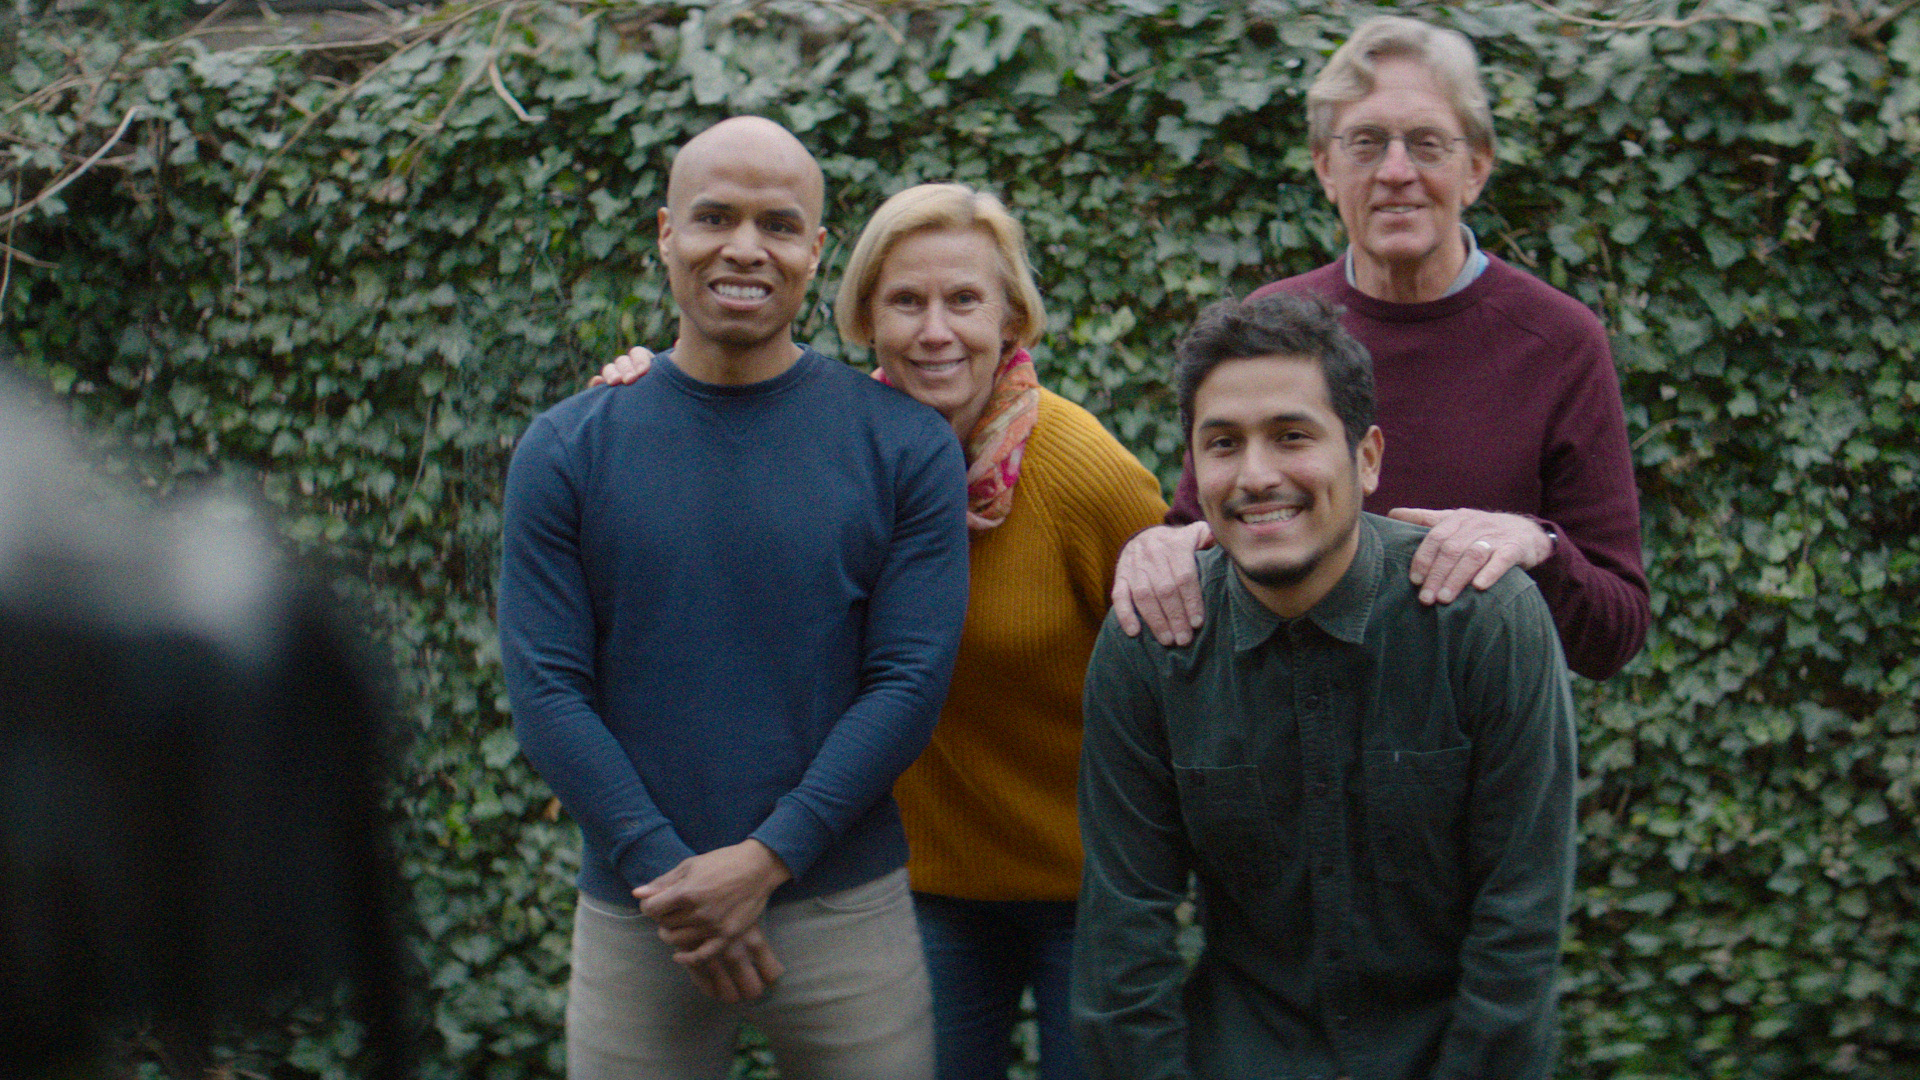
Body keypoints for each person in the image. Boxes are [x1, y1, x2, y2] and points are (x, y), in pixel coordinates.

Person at [595, 182, 1168, 1080]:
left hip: (1089, 889)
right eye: (907, 302)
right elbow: (709, 451)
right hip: (924, 885)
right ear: (865, 315)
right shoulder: (834, 449)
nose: (935, 331)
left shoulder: (1084, 472)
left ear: (1013, 314)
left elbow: (1190, 667)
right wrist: (644, 392)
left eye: (964, 301)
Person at [499, 117, 971, 1080]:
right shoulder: (567, 448)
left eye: (779, 224)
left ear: (816, 252)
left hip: (846, 908)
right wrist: (667, 878)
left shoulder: (905, 446)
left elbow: (908, 681)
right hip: (642, 916)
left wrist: (764, 861)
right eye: (715, 217)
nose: (745, 248)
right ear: (666, 233)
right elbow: (547, 689)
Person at [1073, 290, 1578, 1080]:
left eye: (1292, 436)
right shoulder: (1153, 646)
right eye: (1223, 444)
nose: (1257, 475)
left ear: (1367, 457)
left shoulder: (1481, 622)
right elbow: (1122, 936)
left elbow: (1519, 920)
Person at [1113, 14, 1649, 682]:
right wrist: (1157, 551)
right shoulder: (1272, 327)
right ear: (1325, 168)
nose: (1396, 172)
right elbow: (1204, 536)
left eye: (1427, 144)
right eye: (1365, 143)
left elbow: (1616, 631)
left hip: (1476, 753)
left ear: (1476, 168)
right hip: (1286, 740)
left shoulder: (1558, 342)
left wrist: (1538, 547)